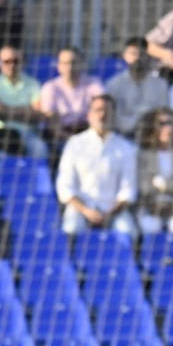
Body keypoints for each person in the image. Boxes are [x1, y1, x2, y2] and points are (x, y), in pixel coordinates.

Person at [55, 95, 137, 241]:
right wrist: (86, 210)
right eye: (98, 110)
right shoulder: (75, 144)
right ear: (89, 114)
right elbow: (65, 187)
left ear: (114, 115)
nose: (103, 115)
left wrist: (109, 214)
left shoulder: (126, 148)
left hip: (114, 211)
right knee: (71, 228)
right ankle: (71, 263)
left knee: (128, 231)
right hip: (80, 209)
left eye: (107, 111)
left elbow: (128, 190)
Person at [134, 109, 173, 236]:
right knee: (151, 227)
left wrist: (160, 183)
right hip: (150, 207)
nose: (167, 128)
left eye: (170, 123)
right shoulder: (143, 155)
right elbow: (144, 188)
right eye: (162, 123)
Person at [0, 46, 47, 157]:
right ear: (0, 63)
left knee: (40, 150)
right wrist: (25, 111)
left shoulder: (33, 84)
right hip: (0, 134)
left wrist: (5, 110)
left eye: (16, 61)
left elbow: (37, 113)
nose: (11, 65)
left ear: (23, 62)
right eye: (7, 61)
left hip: (28, 134)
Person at [38, 46, 104, 145]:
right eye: (65, 63)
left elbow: (102, 110)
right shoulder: (50, 88)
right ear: (58, 66)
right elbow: (52, 122)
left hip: (87, 130)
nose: (70, 67)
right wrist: (73, 141)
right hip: (59, 134)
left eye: (74, 62)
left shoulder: (94, 84)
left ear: (82, 64)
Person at [106, 38, 171, 137]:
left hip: (152, 138)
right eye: (133, 54)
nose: (138, 58)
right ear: (125, 56)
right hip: (122, 137)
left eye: (142, 54)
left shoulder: (161, 85)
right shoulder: (114, 85)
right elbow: (115, 119)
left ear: (148, 56)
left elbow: (163, 116)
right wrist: (136, 123)